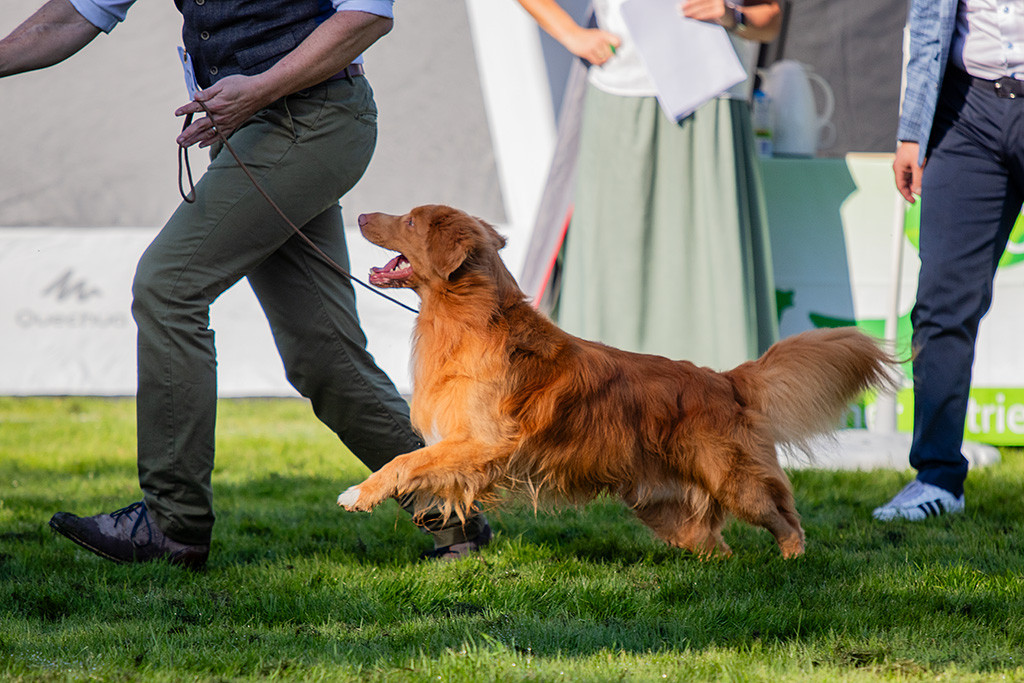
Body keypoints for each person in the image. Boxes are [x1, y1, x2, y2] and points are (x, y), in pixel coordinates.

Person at [0, 0, 490, 567]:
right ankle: (452, 515)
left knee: (168, 287)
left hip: (315, 121)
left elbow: (368, 13)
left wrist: (259, 89)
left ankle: (171, 524)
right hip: (254, 130)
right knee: (323, 357)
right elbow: (71, 15)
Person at [514, 0, 781, 371]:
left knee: (713, 262)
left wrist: (731, 16)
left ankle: (720, 406)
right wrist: (572, 35)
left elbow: (770, 17)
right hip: (621, 97)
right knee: (616, 264)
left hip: (713, 101)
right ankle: (602, 401)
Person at [872, 0, 1023, 522]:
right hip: (968, 114)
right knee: (940, 304)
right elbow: (929, 25)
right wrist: (912, 129)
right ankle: (937, 477)